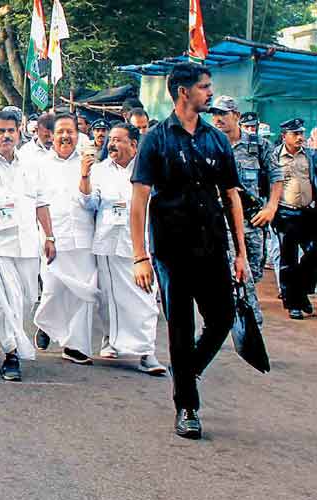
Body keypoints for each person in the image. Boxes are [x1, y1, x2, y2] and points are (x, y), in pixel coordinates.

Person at [131, 63, 248, 440]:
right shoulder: (156, 140)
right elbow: (139, 201)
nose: (210, 93)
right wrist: (140, 256)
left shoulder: (215, 140)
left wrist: (240, 253)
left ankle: (189, 367)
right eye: (204, 87)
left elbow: (231, 197)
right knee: (179, 328)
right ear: (183, 92)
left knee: (223, 318)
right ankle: (187, 407)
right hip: (170, 250)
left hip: (212, 245)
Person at [0, 110, 55, 381]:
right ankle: (11, 353)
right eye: (1, 131)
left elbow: (41, 203)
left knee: (26, 298)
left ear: (19, 132)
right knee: (5, 299)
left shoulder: (32, 165)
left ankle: (17, 342)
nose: (6, 136)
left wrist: (49, 237)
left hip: (27, 243)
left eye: (11, 131)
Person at [78, 123, 166, 375]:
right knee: (109, 299)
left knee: (145, 300)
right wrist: (84, 176)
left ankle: (146, 352)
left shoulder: (148, 170)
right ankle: (110, 340)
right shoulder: (101, 170)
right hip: (107, 243)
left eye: (118, 140)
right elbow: (89, 202)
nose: (112, 144)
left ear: (134, 144)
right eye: (111, 140)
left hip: (138, 247)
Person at [208, 96, 284, 325]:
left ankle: (233, 313)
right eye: (214, 114)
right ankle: (251, 323)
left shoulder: (258, 145)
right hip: (222, 221)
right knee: (240, 273)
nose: (217, 119)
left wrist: (271, 207)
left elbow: (276, 176)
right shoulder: (208, 144)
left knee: (254, 271)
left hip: (252, 221)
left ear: (237, 116)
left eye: (223, 114)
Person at [31, 113, 99, 364]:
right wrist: (45, 235)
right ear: (51, 135)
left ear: (78, 135)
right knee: (52, 289)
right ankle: (47, 323)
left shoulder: (90, 164)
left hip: (83, 238)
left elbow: (92, 203)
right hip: (52, 238)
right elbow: (35, 203)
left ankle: (76, 346)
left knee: (83, 293)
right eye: (60, 131)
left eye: (70, 131)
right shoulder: (39, 165)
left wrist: (85, 176)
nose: (65, 136)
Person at [271, 118, 317, 320]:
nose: (300, 137)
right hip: (285, 213)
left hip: (308, 212)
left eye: (302, 133)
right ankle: (293, 303)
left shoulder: (310, 155)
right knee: (288, 259)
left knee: (314, 252)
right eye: (295, 134)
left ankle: (301, 291)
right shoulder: (274, 157)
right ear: (284, 136)